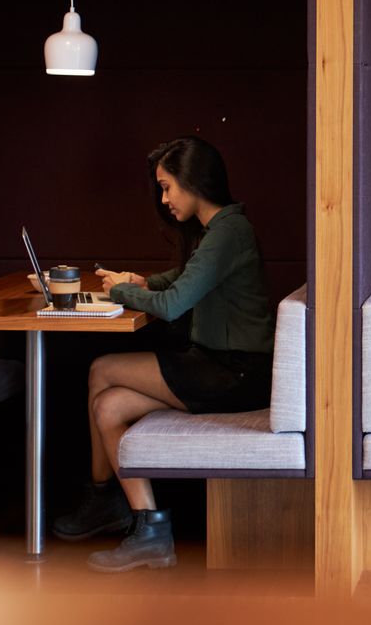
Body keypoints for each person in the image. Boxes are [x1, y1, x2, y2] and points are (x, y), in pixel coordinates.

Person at [50, 135, 276, 571]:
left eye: (167, 186)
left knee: (102, 369)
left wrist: (120, 291)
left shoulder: (229, 230)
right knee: (110, 405)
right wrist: (142, 281)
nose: (164, 198)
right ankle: (149, 526)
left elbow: (175, 303)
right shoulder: (222, 229)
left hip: (235, 373)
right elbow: (188, 276)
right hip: (222, 368)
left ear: (193, 183)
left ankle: (103, 501)